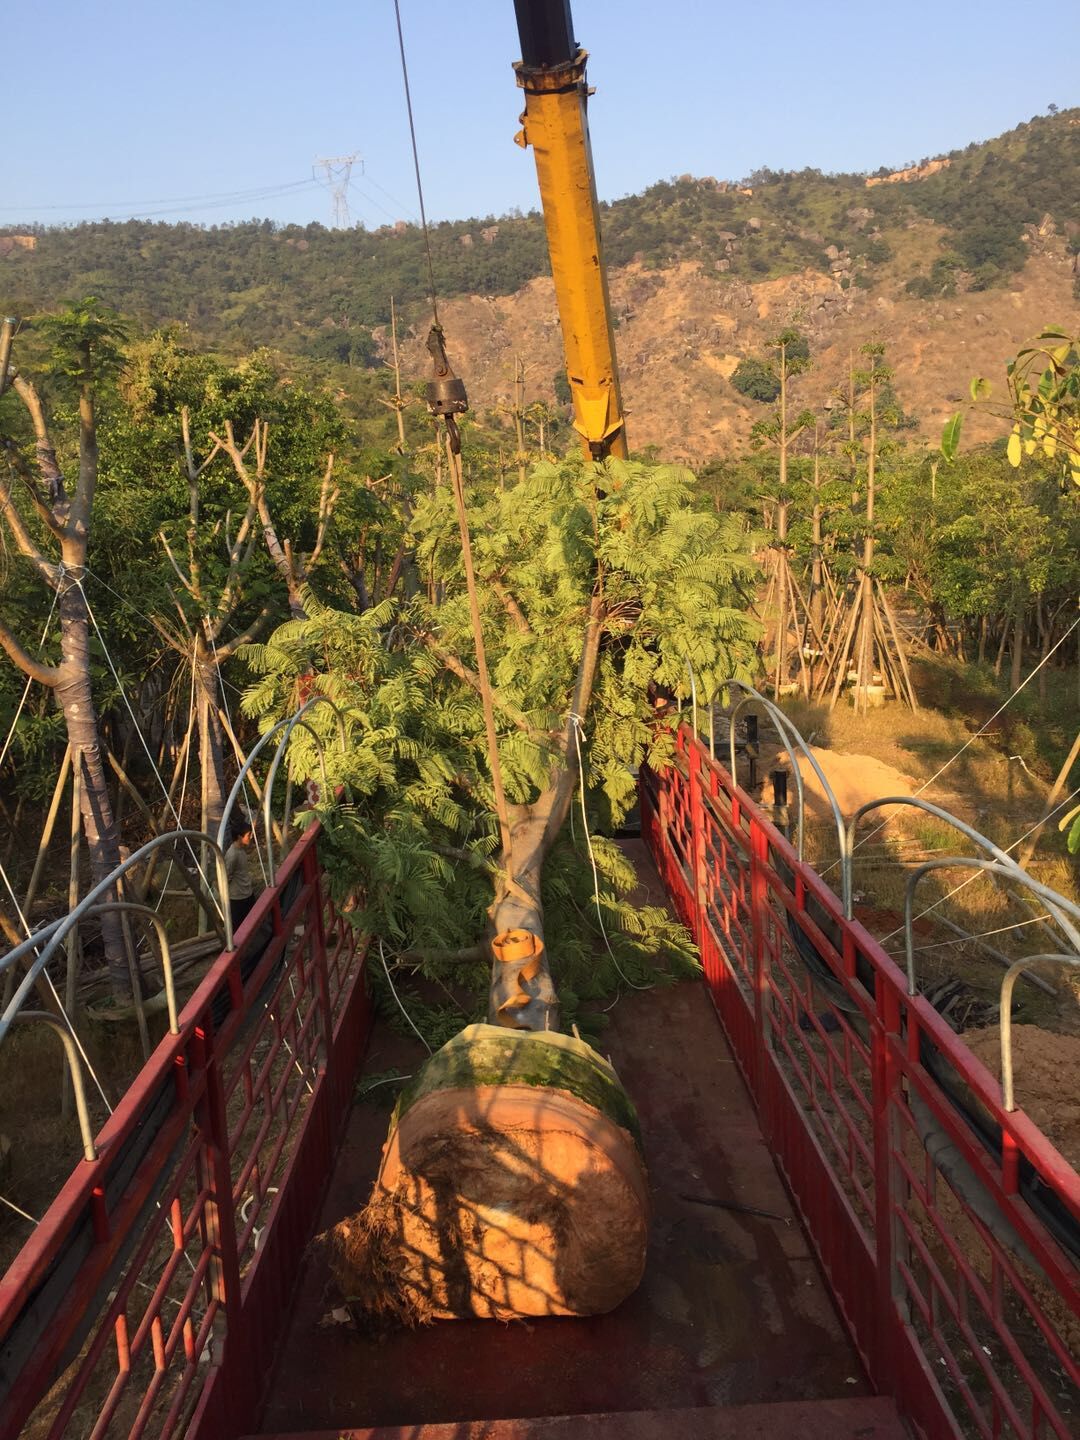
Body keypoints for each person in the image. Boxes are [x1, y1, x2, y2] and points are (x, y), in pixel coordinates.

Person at [225, 816, 257, 935]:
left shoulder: (241, 849)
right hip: (238, 898)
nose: (250, 837)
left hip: (247, 893)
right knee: (239, 930)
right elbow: (226, 876)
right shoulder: (232, 855)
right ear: (239, 837)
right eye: (248, 835)